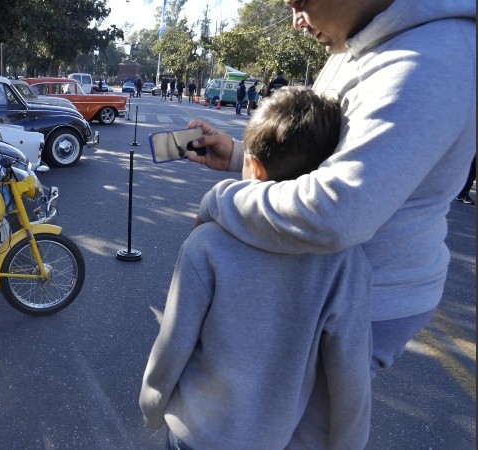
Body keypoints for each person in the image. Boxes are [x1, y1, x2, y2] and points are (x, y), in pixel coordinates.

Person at [185, 0, 474, 389]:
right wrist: (245, 158)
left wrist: (221, 202)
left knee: (273, 422)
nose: (295, 21)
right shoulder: (357, 38)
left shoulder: (432, 56)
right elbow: (322, 157)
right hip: (325, 285)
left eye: (300, 3)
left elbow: (336, 211)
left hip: (363, 300)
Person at [141, 87, 372, 448]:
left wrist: (152, 406)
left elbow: (173, 345)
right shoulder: (345, 262)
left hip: (194, 432)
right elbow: (350, 376)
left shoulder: (207, 245)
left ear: (256, 166)